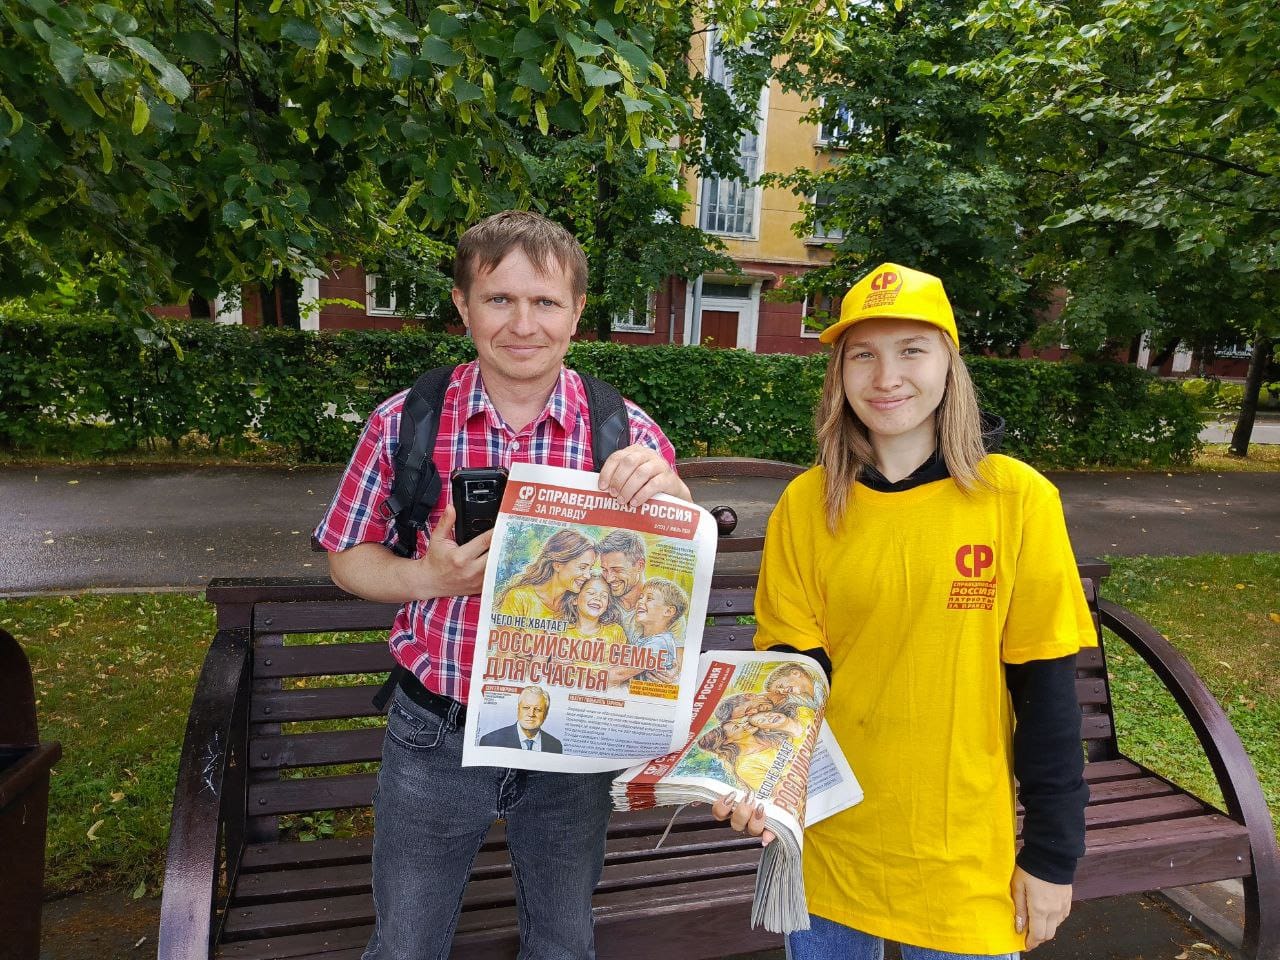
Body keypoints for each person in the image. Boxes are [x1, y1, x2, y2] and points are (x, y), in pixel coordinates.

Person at [314, 210, 690, 960]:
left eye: (545, 301)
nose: (523, 324)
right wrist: (427, 576)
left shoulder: (626, 434)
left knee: (563, 943)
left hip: (574, 737)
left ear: (577, 313)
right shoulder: (405, 423)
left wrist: (672, 499)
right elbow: (346, 556)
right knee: (406, 945)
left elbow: (665, 577)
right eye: (499, 299)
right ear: (463, 305)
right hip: (436, 728)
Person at [713, 263, 1096, 958]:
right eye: (863, 354)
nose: (886, 377)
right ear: (839, 373)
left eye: (911, 350)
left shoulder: (1017, 500)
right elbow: (793, 683)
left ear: (950, 364)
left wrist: (1052, 856)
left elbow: (1047, 698)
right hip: (829, 846)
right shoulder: (806, 505)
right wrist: (755, 781)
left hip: (960, 857)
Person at [497, 528, 597, 621]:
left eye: (590, 568)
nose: (588, 575)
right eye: (582, 567)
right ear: (557, 565)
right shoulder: (519, 597)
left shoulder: (578, 604)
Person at [608, 577, 688, 687]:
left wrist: (590, 676)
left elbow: (619, 674)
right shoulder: (643, 639)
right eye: (641, 597)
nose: (640, 601)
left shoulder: (659, 644)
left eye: (649, 598)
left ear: (668, 611)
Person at [558, 573, 630, 684]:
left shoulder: (615, 631)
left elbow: (625, 670)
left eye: (604, 596)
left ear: (607, 605)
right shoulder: (561, 631)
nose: (598, 598)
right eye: (591, 593)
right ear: (575, 599)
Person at [697, 715, 791, 793]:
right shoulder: (745, 768)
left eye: (739, 723)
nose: (745, 724)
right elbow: (782, 792)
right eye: (736, 727)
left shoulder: (766, 732)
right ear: (727, 741)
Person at [479, 684, 562, 753]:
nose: (531, 714)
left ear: (546, 714)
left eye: (538, 709)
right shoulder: (490, 741)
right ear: (518, 709)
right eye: (526, 707)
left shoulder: (555, 745)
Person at [597, 529, 648, 640]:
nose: (609, 579)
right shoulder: (598, 598)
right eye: (605, 570)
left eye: (617, 570)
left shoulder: (663, 604)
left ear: (640, 566)